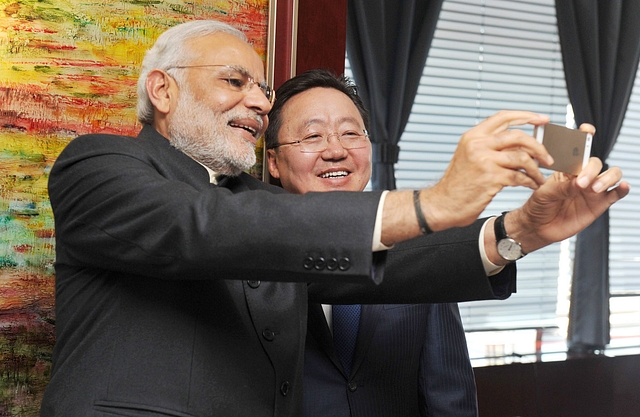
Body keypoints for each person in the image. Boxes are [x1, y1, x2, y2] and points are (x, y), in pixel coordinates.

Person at [40, 19, 629, 417]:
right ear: (162, 91)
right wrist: (433, 203)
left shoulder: (255, 202)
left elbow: (387, 270)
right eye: (235, 81)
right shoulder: (98, 164)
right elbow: (203, 227)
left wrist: (517, 232)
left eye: (263, 90)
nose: (258, 101)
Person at [265, 69, 479, 416]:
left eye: (350, 133)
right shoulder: (251, 248)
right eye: (313, 136)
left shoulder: (417, 247)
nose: (335, 150)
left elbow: (448, 392)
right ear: (273, 161)